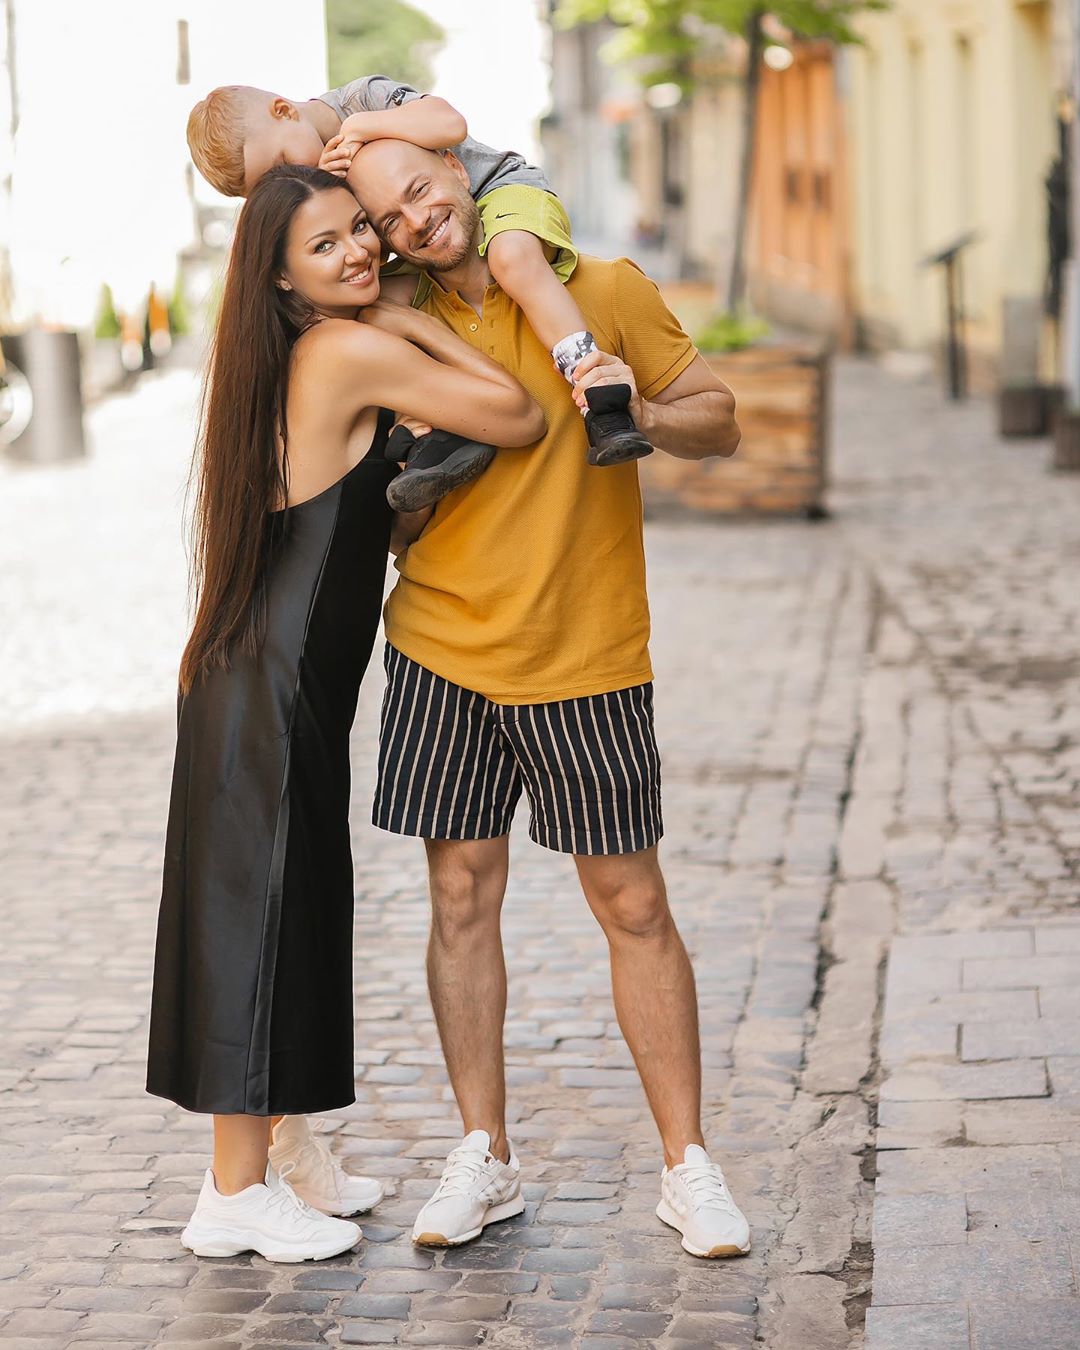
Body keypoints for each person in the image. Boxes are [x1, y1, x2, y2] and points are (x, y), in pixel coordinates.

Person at [347, 138, 752, 1260]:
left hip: (588, 653)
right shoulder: (396, 320)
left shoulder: (602, 290)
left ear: (460, 174)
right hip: (441, 648)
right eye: (389, 216)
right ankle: (486, 1154)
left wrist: (638, 413)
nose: (416, 221)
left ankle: (689, 1166)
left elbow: (720, 417)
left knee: (632, 907)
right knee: (460, 902)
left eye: (423, 191)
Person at [145, 164, 544, 1264]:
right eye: (326, 247)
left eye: (360, 230)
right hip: (269, 692)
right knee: (256, 924)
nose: (361, 250)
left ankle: (288, 1154)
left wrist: (391, 313)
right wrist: (418, 321)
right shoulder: (344, 348)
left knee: (293, 910)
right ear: (279, 277)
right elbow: (516, 411)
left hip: (271, 684)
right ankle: (231, 1194)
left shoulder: (300, 352)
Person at [185, 74, 653, 498]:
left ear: (285, 110)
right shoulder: (326, 179)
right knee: (373, 304)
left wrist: (365, 127)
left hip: (497, 193)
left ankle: (597, 393)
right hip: (432, 239)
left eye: (284, 161)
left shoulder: (359, 100)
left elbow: (450, 123)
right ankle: (432, 432)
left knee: (512, 259)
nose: (289, 176)